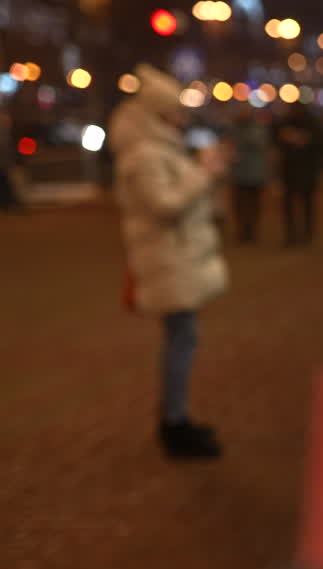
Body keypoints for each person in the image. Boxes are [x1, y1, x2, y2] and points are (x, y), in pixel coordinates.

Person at [107, 64, 229, 459]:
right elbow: (165, 204)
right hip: (168, 259)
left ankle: (176, 419)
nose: (183, 117)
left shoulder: (155, 149)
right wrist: (203, 173)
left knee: (183, 337)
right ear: (161, 113)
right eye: (177, 110)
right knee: (181, 339)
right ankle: (174, 423)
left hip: (174, 258)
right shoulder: (145, 154)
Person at [272, 103, 323, 247]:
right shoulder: (285, 124)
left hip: (306, 170)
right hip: (291, 171)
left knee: (307, 204)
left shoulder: (311, 125)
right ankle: (292, 234)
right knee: (291, 204)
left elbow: (320, 144)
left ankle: (307, 233)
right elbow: (275, 142)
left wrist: (304, 140)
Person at [226, 107, 270, 244]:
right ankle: (243, 230)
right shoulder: (234, 129)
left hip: (253, 174)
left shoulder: (256, 129)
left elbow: (260, 144)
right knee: (239, 204)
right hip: (239, 173)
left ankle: (251, 230)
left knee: (253, 204)